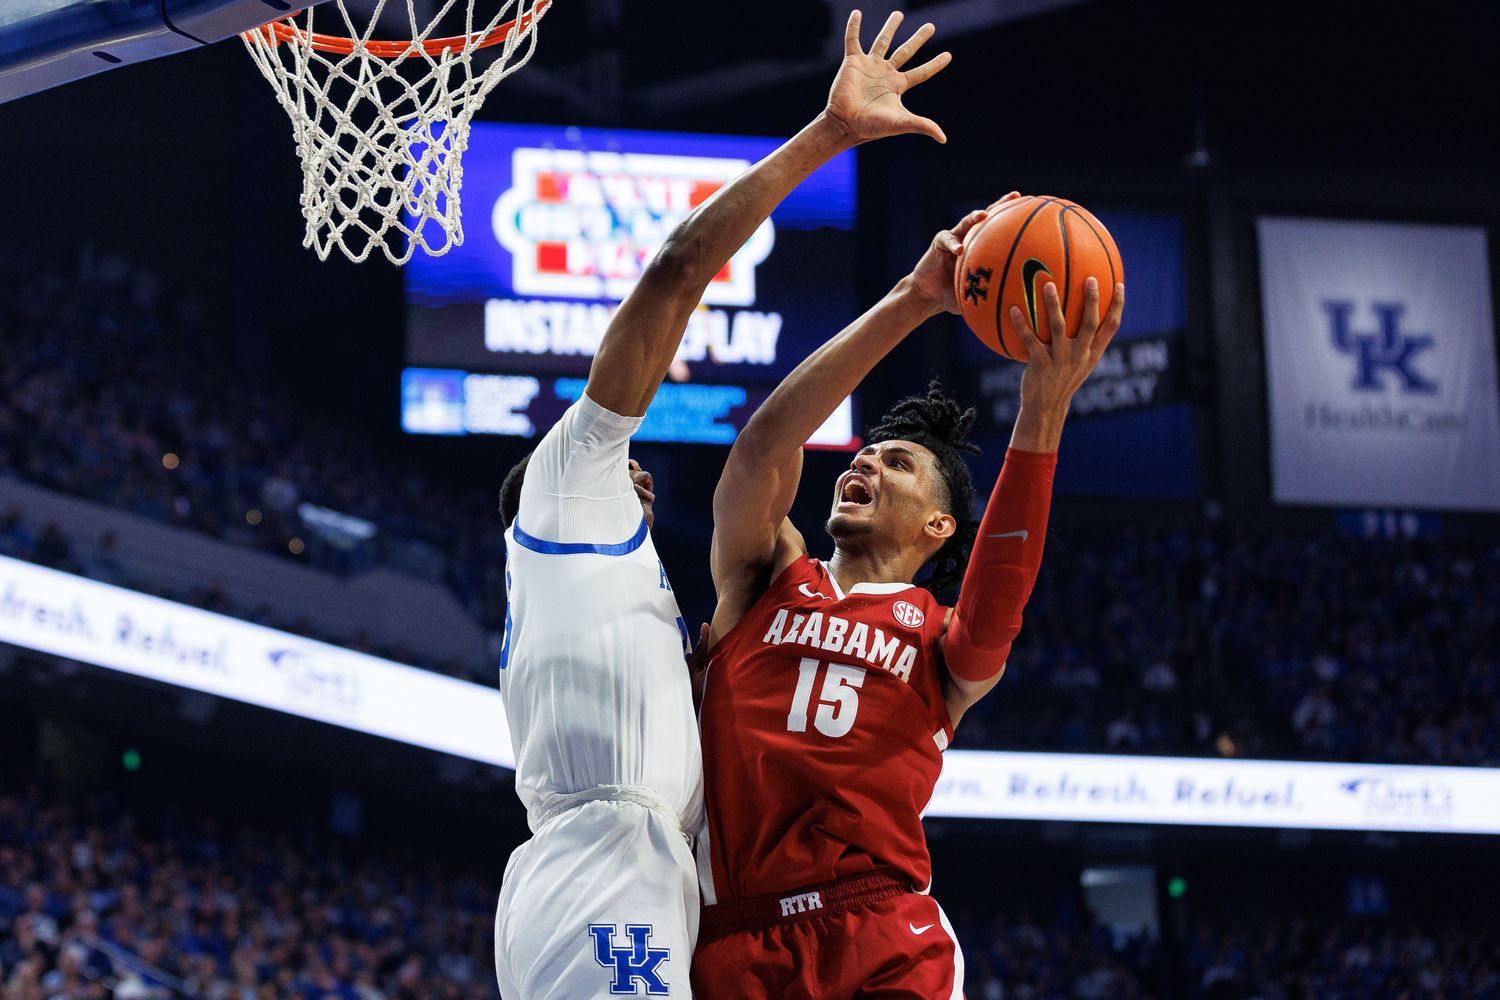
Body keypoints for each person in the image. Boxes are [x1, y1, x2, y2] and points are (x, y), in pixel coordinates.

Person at [491, 10, 955, 997]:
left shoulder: (633, 584)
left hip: (650, 876)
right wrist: (827, 139)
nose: (642, 472)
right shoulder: (569, 475)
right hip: (603, 868)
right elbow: (676, 272)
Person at [693, 200, 1125, 996]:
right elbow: (763, 447)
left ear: (939, 523)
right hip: (736, 935)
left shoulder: (942, 643)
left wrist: (1042, 409)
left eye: (896, 463)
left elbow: (1001, 597)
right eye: (863, 453)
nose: (864, 462)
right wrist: (913, 298)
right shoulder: (766, 576)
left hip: (882, 933)